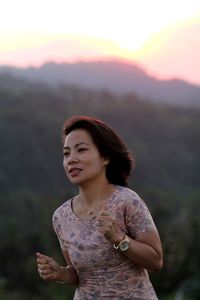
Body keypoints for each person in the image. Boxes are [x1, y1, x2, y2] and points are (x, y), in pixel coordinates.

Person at [36, 115, 163, 299]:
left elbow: (156, 260)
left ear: (105, 157)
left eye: (81, 150)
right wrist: (61, 274)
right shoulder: (61, 216)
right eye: (66, 153)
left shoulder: (127, 201)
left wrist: (119, 239)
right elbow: (80, 275)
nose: (71, 159)